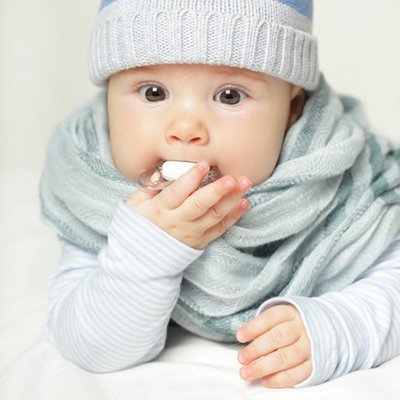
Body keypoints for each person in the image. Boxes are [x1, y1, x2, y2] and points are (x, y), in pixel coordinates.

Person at [40, 0, 400, 389]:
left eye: (229, 96)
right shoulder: (93, 190)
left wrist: (343, 326)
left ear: (292, 110)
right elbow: (91, 347)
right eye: (153, 92)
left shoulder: (346, 186)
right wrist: (143, 252)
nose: (184, 127)